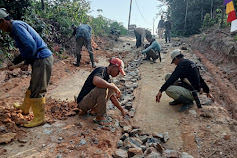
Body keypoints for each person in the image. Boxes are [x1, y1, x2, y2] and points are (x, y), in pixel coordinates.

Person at [0, 8, 54, 127]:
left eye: (0, 27)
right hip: (39, 58)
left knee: (38, 88)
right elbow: (26, 49)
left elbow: (31, 46)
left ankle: (39, 118)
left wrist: (26, 62)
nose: (2, 30)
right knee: (34, 85)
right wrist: (14, 61)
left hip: (42, 59)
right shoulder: (17, 26)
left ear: (3, 21)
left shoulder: (16, 27)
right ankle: (25, 108)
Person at [77, 58, 129, 126]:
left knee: (109, 87)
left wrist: (122, 110)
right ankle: (99, 117)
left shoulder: (108, 78)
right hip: (83, 103)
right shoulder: (101, 70)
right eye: (118, 71)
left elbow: (112, 97)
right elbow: (96, 81)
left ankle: (95, 110)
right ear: (113, 67)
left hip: (89, 101)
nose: (118, 74)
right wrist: (112, 86)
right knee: (102, 88)